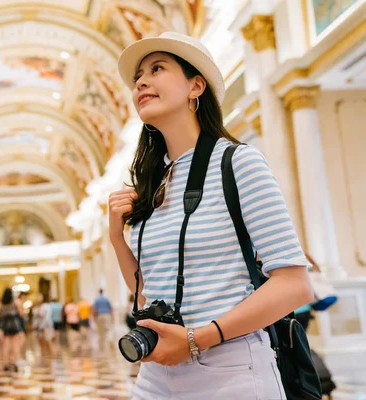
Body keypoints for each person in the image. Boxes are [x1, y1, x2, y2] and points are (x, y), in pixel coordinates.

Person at [109, 32, 313, 399]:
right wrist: (115, 237)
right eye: (139, 75)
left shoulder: (237, 163)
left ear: (195, 86)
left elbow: (294, 284)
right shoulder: (155, 181)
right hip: (155, 372)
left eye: (157, 68)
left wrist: (195, 339)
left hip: (229, 369)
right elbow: (145, 289)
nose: (141, 81)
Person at [0, 288, 24, 372]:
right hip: (14, 325)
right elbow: (21, 313)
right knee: (15, 345)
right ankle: (14, 363)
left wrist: (2, 314)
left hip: (5, 325)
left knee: (5, 346)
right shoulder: (15, 303)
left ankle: (5, 364)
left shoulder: (0, 304)